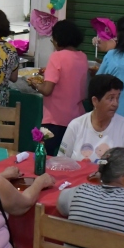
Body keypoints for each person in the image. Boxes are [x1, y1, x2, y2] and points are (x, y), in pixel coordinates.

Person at [28, 20, 88, 155]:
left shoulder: (57, 57)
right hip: (77, 118)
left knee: (45, 157)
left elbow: (47, 90)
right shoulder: (83, 57)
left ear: (58, 39)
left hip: (55, 119)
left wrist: (34, 84)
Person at [58, 74, 124, 162]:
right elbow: (61, 161)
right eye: (111, 98)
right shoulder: (76, 125)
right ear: (95, 101)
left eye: (117, 98)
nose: (115, 104)